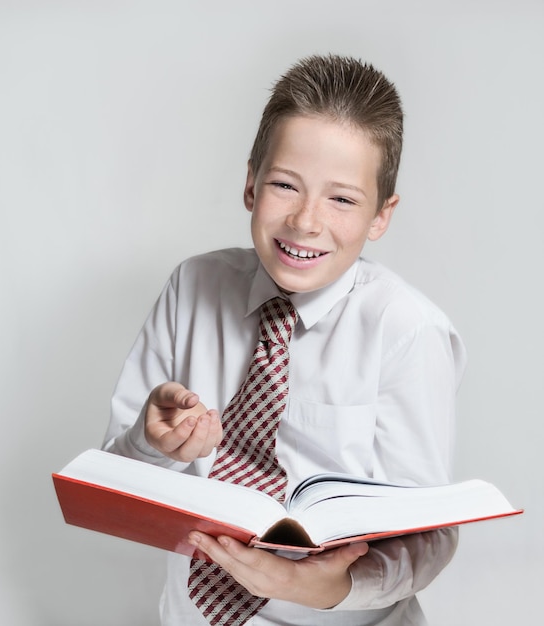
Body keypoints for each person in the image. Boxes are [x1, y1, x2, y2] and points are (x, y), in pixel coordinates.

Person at [103, 54, 467, 626]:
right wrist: (151, 445)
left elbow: (429, 535)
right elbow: (112, 479)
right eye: (284, 185)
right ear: (251, 183)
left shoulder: (406, 329)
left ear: (381, 215)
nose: (305, 221)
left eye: (342, 199)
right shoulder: (192, 286)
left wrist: (325, 585)